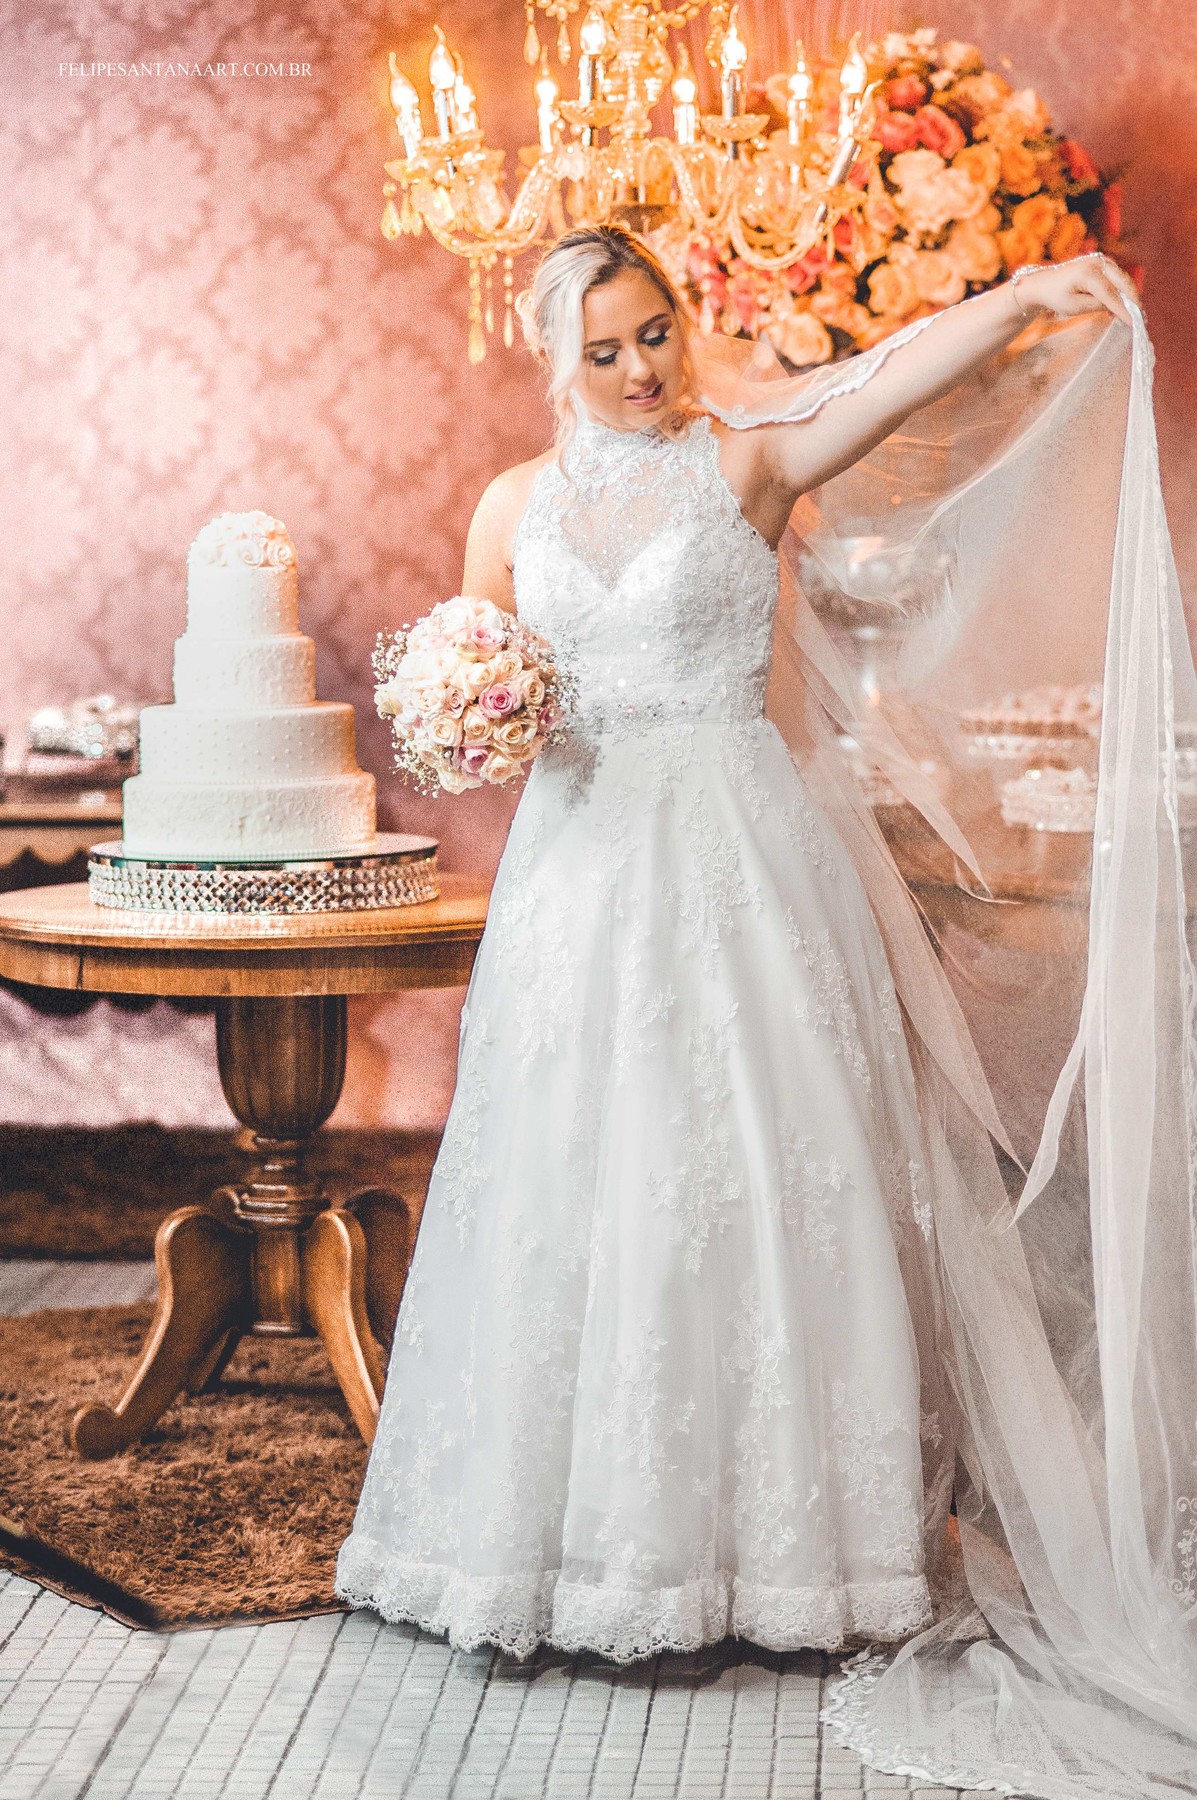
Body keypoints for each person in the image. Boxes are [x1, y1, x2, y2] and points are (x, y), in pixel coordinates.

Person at [338, 225, 1197, 1797]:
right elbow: (472, 684)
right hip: (575, 881)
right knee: (572, 1184)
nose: (638, 369)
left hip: (733, 858)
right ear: (554, 359)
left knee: (745, 1174)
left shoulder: (742, 464)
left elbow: (885, 383)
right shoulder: (509, 509)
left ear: (682, 324)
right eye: (602, 349)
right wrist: (463, 714)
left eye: (654, 332)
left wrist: (1014, 299)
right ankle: (559, 1548)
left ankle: (787, 1557)